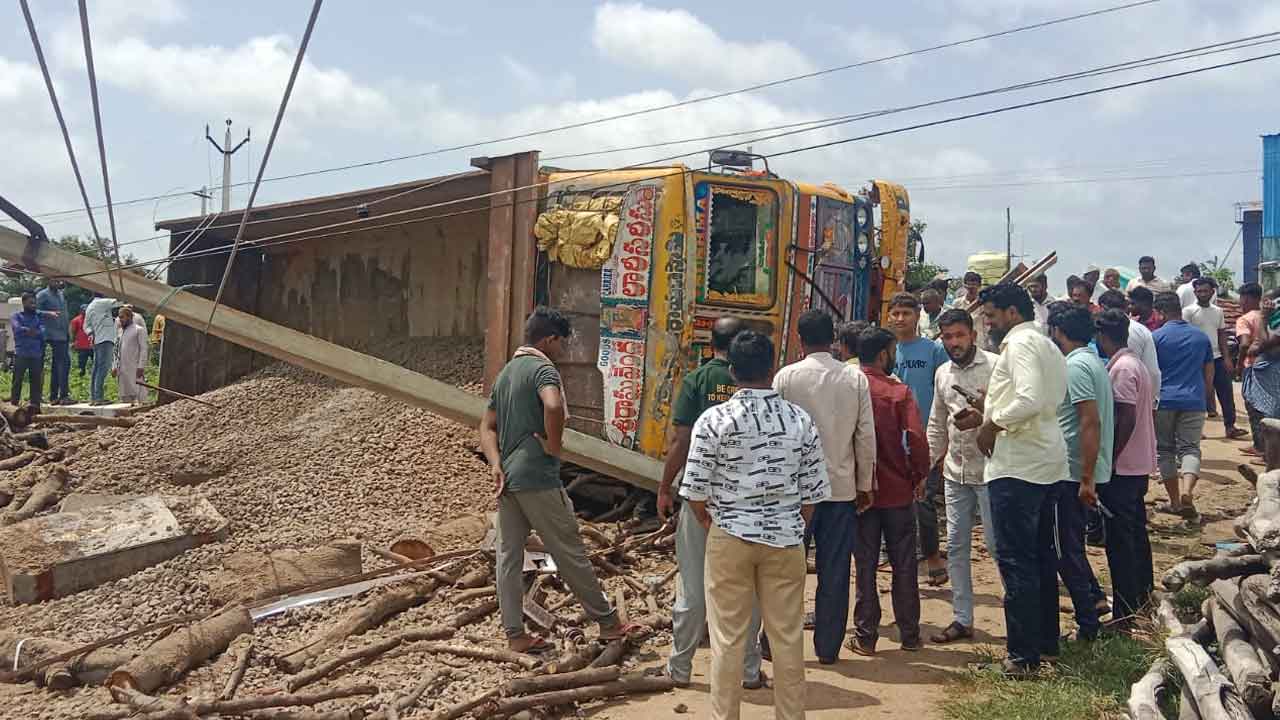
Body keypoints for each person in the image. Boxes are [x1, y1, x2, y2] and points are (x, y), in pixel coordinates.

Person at [682, 330, 830, 720]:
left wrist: (713, 521)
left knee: (728, 640)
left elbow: (695, 489)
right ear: (772, 368)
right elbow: (813, 493)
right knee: (787, 638)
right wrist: (792, 523)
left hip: (729, 536)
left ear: (732, 371)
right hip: (785, 540)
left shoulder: (714, 419)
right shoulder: (799, 419)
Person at [479, 307, 627, 654]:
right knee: (570, 552)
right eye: (562, 343)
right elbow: (553, 404)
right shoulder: (543, 368)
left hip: (509, 478)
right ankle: (608, 624)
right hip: (537, 477)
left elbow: (485, 426)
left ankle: (515, 635)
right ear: (549, 340)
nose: (562, 350)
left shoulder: (507, 374)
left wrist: (495, 464)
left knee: (509, 558)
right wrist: (555, 446)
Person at [656, 317, 765, 690]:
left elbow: (681, 440)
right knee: (748, 588)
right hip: (747, 503)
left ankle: (681, 668)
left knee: (693, 584)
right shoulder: (767, 391)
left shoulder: (697, 380)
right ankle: (749, 672)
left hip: (702, 498)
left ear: (712, 343)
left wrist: (666, 485)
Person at [975, 283, 1069, 676]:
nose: (988, 323)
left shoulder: (1021, 345)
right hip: (1045, 460)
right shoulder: (1046, 344)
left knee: (1016, 560)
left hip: (1019, 466)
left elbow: (1028, 398)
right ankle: (1045, 643)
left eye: (991, 315)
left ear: (1012, 312)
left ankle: (1022, 657)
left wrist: (991, 425)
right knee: (1042, 555)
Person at [773, 309, 876, 664]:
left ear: (799, 339)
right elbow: (865, 436)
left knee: (785, 569)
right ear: (832, 339)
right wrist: (865, 484)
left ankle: (775, 645)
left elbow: (776, 435)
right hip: (839, 489)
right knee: (835, 571)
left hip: (793, 493)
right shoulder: (854, 378)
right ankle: (828, 648)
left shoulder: (786, 378)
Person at [850, 326, 928, 656]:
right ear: (883, 354)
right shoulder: (899, 392)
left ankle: (866, 636)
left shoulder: (849, 388)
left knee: (865, 564)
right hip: (897, 490)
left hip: (861, 492)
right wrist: (919, 475)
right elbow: (916, 437)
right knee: (904, 563)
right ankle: (909, 634)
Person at [926, 308, 999, 644]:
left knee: (998, 547)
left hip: (993, 473)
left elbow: (1012, 418)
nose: (954, 342)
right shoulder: (942, 373)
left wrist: (983, 417)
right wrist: (926, 466)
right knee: (955, 546)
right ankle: (962, 619)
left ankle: (1017, 620)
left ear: (973, 334)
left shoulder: (997, 367)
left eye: (959, 335)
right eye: (947, 337)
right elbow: (936, 424)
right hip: (956, 472)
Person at [1046, 306, 1113, 642]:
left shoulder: (1075, 367)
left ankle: (1088, 625)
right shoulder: (1092, 362)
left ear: (1058, 330)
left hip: (1072, 473)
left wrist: (1086, 478)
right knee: (1071, 545)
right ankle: (1096, 602)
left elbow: (1090, 421)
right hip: (1079, 470)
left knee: (1064, 550)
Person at [1095, 310, 1157, 622]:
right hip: (1138, 464)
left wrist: (1110, 457)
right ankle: (1143, 596)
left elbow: (1126, 415)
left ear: (1102, 337)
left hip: (1124, 467)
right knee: (1134, 533)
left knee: (1120, 541)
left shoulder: (1122, 368)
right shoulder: (1135, 363)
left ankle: (1125, 611)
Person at [887, 292, 951, 586]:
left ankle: (934, 559)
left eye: (906, 313)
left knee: (923, 502)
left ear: (917, 317)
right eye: (895, 313)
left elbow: (946, 390)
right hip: (891, 439)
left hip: (925, 437)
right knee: (896, 503)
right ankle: (900, 557)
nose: (900, 318)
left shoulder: (934, 350)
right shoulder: (886, 350)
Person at [1152, 291, 1213, 518]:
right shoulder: (1200, 337)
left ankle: (1176, 501)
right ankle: (1188, 491)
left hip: (1164, 400)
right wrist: (1206, 398)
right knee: (1190, 448)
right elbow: (1209, 373)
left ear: (1161, 312)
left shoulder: (1156, 338)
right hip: (1194, 399)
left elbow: (1151, 371)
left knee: (1165, 450)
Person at [1183, 277, 1245, 439]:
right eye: (1198, 291)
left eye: (1205, 291)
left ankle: (1230, 427)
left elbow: (1221, 334)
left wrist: (1227, 358)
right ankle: (1197, 429)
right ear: (1195, 292)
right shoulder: (1188, 311)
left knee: (1226, 392)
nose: (1202, 294)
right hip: (1196, 359)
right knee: (1199, 394)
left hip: (1217, 357)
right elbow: (1186, 335)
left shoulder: (1218, 311)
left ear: (1212, 292)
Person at [1097, 289, 1161, 398]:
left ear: (1104, 308)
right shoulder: (1135, 327)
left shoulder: (1128, 330)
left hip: (1133, 399)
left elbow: (1128, 371)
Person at [1237, 283, 1272, 458]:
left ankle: (1261, 448)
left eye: (1241, 298)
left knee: (1253, 408)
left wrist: (1238, 366)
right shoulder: (1270, 316)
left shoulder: (1245, 319)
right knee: (1269, 408)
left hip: (1252, 367)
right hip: (1271, 367)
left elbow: (1244, 344)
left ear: (1246, 298)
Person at [36, 278, 71, 405]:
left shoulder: (60, 294)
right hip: (49, 333)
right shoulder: (42, 294)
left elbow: (64, 313)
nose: (58, 283)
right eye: (55, 281)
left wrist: (67, 331)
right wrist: (48, 313)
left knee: (61, 365)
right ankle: (60, 396)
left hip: (61, 334)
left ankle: (56, 396)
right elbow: (34, 310)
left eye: (59, 281)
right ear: (49, 280)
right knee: (58, 363)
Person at [9, 291, 45, 412]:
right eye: (31, 303)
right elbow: (17, 329)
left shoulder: (37, 317)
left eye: (34, 303)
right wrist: (29, 331)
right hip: (21, 354)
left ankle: (35, 407)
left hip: (36, 354)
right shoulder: (16, 316)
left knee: (35, 382)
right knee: (17, 381)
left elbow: (42, 332)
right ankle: (13, 407)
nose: (33, 305)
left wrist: (28, 331)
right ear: (24, 303)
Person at [84, 293, 120, 405]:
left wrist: (91, 334)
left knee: (96, 370)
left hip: (98, 340)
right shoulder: (102, 302)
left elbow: (86, 326)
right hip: (105, 339)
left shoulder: (90, 306)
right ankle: (98, 398)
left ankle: (94, 398)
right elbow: (120, 301)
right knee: (102, 369)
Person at [113, 306, 150, 404]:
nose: (120, 320)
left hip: (134, 367)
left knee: (140, 394)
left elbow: (143, 349)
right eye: (119, 317)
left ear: (129, 317)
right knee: (124, 396)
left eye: (122, 317)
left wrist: (141, 366)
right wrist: (114, 366)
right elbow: (116, 350)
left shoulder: (139, 330)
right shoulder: (120, 331)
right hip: (122, 369)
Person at [70, 308, 93, 378]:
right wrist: (73, 342)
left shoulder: (92, 319)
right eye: (83, 310)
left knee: (96, 365)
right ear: (80, 311)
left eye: (86, 310)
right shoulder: (76, 320)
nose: (85, 311)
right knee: (81, 365)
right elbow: (73, 332)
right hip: (81, 346)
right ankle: (80, 380)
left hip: (92, 346)